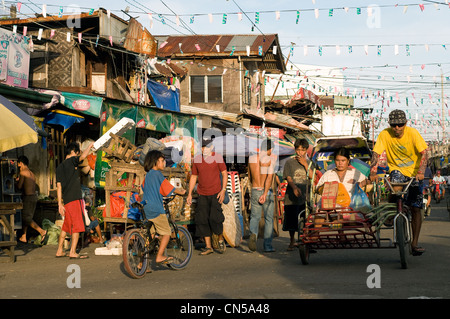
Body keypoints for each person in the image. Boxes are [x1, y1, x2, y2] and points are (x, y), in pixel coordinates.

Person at [369, 109, 428, 256]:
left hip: (415, 173)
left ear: (405, 123)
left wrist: (421, 172)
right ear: (390, 124)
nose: (397, 128)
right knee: (395, 186)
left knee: (416, 208)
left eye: (400, 125)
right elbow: (376, 154)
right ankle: (391, 212)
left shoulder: (413, 133)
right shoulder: (385, 134)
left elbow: (425, 153)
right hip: (397, 170)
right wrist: (373, 171)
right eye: (394, 125)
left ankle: (414, 244)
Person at [142, 150, 186, 264]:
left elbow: (145, 187)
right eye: (161, 161)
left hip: (146, 208)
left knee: (150, 235)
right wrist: (180, 192)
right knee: (166, 233)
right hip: (156, 208)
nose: (164, 163)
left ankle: (142, 263)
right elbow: (168, 188)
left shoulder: (147, 175)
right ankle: (160, 256)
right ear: (155, 162)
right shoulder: (157, 174)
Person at [187, 138, 227, 255]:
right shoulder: (197, 160)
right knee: (202, 220)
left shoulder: (217, 157)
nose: (204, 149)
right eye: (202, 147)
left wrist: (223, 190)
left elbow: (224, 174)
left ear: (211, 148)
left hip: (216, 193)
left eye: (206, 147)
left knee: (216, 218)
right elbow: (194, 176)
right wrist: (189, 193)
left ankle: (220, 238)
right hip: (202, 194)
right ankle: (208, 247)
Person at [55, 142, 93, 259]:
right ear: (73, 152)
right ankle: (72, 251)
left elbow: (59, 186)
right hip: (74, 199)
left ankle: (60, 250)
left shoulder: (60, 167)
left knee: (66, 226)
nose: (78, 155)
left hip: (66, 200)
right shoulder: (72, 161)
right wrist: (90, 147)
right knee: (77, 226)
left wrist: (60, 204)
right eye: (77, 153)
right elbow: (82, 157)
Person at [248, 138, 277, 252]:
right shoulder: (270, 160)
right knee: (269, 219)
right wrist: (264, 193)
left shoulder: (251, 159)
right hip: (266, 191)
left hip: (255, 189)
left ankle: (253, 235)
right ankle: (268, 246)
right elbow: (269, 177)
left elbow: (250, 177)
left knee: (254, 217)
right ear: (270, 149)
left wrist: (256, 189)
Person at [282, 138, 311, 251]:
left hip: (306, 195)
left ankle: (307, 241)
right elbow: (288, 176)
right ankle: (292, 240)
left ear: (306, 150)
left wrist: (305, 165)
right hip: (292, 195)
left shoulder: (309, 162)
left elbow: (312, 176)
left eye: (302, 150)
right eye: (298, 150)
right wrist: (294, 187)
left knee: (307, 219)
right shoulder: (289, 162)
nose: (300, 152)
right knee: (291, 218)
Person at [16, 156, 48, 245]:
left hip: (28, 197)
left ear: (21, 163)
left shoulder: (23, 172)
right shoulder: (31, 173)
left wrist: (16, 181)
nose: (19, 167)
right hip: (34, 197)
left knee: (25, 218)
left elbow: (19, 186)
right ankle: (24, 236)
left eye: (18, 165)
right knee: (28, 216)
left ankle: (42, 231)